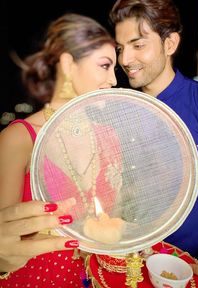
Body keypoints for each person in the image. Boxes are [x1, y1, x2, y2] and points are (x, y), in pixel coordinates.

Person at [109, 0, 198, 287]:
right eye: (120, 48)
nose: (125, 59)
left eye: (137, 45)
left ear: (170, 44)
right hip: (131, 271)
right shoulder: (118, 109)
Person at [0, 13, 118, 287]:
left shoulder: (108, 136)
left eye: (115, 69)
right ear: (67, 64)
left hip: (94, 278)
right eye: (104, 66)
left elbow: (112, 219)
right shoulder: (19, 138)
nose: (113, 79)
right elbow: (6, 241)